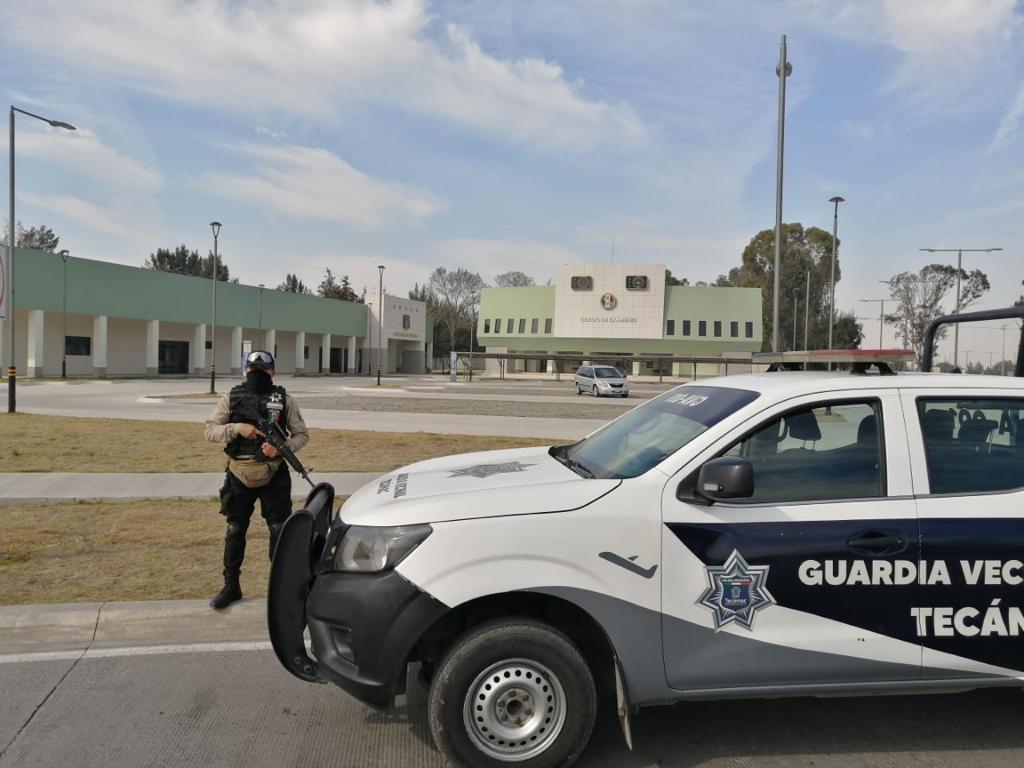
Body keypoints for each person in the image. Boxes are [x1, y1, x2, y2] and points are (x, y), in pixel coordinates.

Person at [203, 350, 309, 610]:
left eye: (263, 370)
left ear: (272, 372)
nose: (257, 374)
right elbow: (209, 431)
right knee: (235, 529)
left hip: (274, 473)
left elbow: (302, 435)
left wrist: (282, 447)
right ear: (245, 371)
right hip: (239, 473)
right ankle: (231, 586)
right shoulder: (230, 398)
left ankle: (281, 590)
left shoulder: (285, 399)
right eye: (253, 370)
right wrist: (237, 428)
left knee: (278, 531)